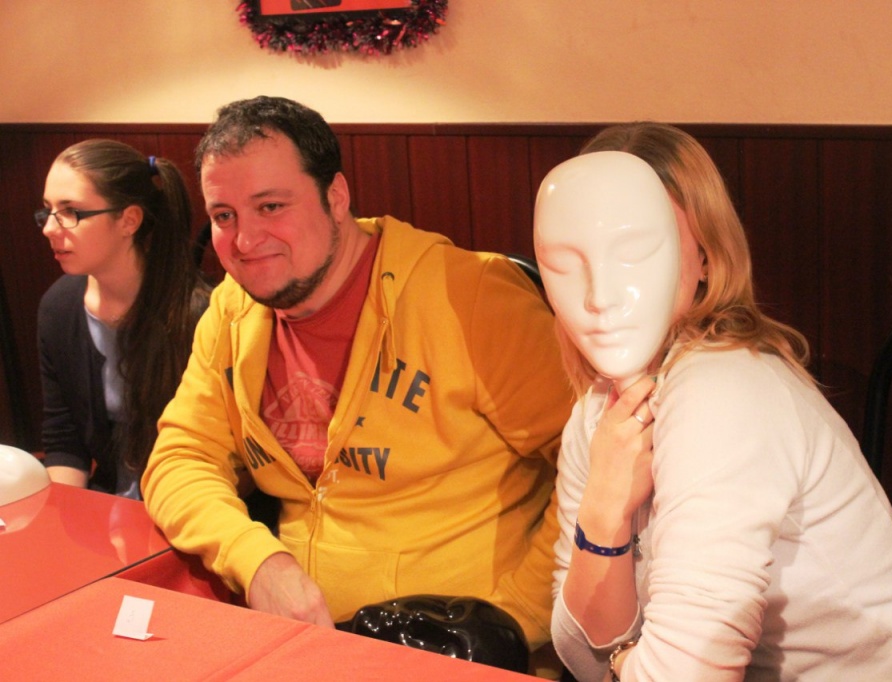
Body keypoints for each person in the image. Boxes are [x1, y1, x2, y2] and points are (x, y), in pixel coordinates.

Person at [537, 122, 892, 681]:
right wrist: (604, 508)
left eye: (635, 250)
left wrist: (626, 658)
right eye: (567, 261)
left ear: (706, 255)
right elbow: (582, 655)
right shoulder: (598, 411)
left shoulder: (725, 390)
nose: (599, 295)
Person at [140, 96, 573, 658]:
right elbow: (180, 458)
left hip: (466, 653)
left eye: (271, 206)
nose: (244, 241)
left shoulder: (471, 298)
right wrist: (259, 561)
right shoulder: (232, 310)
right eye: (225, 216)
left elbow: (596, 469)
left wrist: (517, 617)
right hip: (303, 648)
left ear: (336, 197)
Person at [37, 139, 210, 499]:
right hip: (108, 503)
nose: (49, 229)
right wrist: (62, 515)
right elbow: (65, 440)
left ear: (129, 220)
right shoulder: (59, 307)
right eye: (48, 210)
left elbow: (224, 458)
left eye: (70, 212)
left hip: (191, 503)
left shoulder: (200, 315)